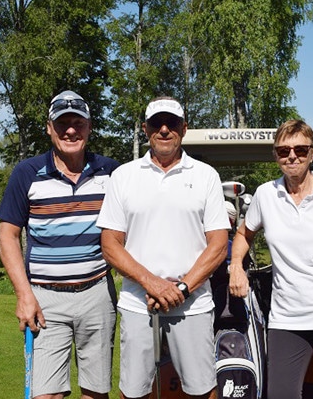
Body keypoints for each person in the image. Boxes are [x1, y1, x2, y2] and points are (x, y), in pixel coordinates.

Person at [96, 96, 230, 399]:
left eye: (172, 123)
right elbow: (110, 244)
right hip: (137, 302)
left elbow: (219, 244)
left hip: (193, 303)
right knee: (133, 392)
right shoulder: (124, 176)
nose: (165, 129)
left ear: (184, 128)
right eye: (157, 123)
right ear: (146, 129)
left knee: (202, 390)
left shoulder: (205, 175)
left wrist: (181, 290)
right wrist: (152, 283)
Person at [228, 119, 313, 399]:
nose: (292, 156)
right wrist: (236, 268)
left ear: (312, 153)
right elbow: (244, 234)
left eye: (301, 150)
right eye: (284, 150)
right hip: (288, 317)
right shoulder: (266, 195)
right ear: (275, 155)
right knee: (280, 394)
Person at [0, 90, 120, 399]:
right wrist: (24, 295)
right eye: (62, 123)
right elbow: (8, 235)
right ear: (49, 128)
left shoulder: (111, 172)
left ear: (89, 127)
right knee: (46, 395)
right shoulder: (26, 174)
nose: (70, 130)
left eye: (77, 123)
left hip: (97, 294)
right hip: (45, 299)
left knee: (95, 392)